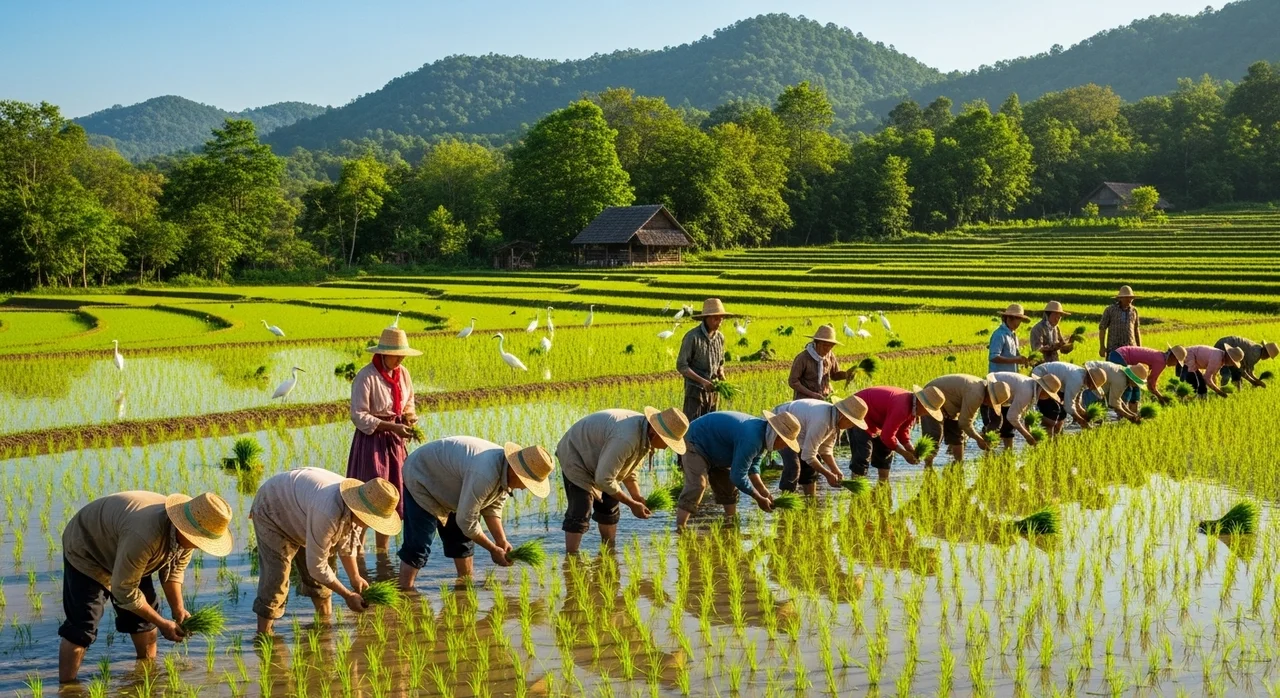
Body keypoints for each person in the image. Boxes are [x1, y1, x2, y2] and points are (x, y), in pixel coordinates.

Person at [59, 491, 233, 682]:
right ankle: (67, 688)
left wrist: (178, 609)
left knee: (144, 622)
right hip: (88, 549)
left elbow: (173, 572)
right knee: (82, 627)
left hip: (128, 552)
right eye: (200, 541)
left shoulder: (187, 539)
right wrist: (162, 624)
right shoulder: (145, 535)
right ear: (185, 529)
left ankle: (147, 678)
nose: (200, 546)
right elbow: (124, 590)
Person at [250, 469, 401, 635]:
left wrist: (355, 577)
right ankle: (263, 635)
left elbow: (347, 545)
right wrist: (348, 595)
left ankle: (325, 631)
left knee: (321, 583)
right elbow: (317, 567)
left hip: (302, 511)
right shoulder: (327, 512)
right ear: (361, 510)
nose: (371, 525)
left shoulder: (357, 505)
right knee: (276, 579)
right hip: (272, 509)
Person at [398, 439, 554, 587]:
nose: (524, 488)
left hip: (453, 483)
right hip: (422, 474)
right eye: (526, 482)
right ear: (516, 472)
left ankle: (465, 585)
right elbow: (467, 521)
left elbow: (493, 508)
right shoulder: (484, 474)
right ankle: (407, 591)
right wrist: (493, 550)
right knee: (419, 545)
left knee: (461, 539)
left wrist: (501, 541)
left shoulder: (505, 473)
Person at [556, 407, 688, 554]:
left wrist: (636, 496)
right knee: (581, 509)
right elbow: (604, 479)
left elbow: (628, 470)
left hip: (601, 458)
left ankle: (609, 549)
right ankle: (572, 558)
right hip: (576, 455)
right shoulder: (626, 438)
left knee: (610, 504)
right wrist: (631, 504)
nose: (665, 448)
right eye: (667, 442)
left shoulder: (644, 435)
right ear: (655, 433)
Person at [347, 325, 420, 552]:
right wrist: (389, 426)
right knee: (370, 496)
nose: (399, 360)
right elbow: (358, 415)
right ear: (383, 353)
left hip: (395, 443)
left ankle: (382, 553)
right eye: (395, 355)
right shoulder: (366, 376)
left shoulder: (404, 374)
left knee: (391, 497)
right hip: (373, 443)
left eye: (402, 356)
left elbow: (409, 403)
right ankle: (356, 549)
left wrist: (408, 418)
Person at [674, 410, 802, 530]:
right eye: (785, 443)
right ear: (778, 436)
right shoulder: (752, 438)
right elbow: (737, 476)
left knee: (728, 488)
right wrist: (758, 498)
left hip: (718, 449)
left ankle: (731, 523)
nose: (784, 447)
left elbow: (753, 466)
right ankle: (680, 529)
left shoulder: (763, 435)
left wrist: (763, 490)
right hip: (696, 441)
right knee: (698, 485)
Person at [772, 395, 870, 495]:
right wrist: (827, 475)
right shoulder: (822, 421)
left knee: (811, 465)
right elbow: (809, 455)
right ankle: (785, 503)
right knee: (793, 466)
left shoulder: (834, 419)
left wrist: (835, 470)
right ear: (844, 416)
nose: (851, 426)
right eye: (851, 423)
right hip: (781, 423)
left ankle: (810, 501)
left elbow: (825, 449)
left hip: (800, 429)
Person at [847, 384, 946, 480]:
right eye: (928, 410)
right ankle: (856, 487)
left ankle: (883, 484)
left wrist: (910, 449)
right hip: (858, 412)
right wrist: (904, 454)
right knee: (863, 454)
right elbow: (887, 436)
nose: (927, 414)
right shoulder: (902, 406)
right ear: (922, 404)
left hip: (878, 420)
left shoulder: (913, 408)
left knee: (885, 452)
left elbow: (902, 431)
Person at [920, 374, 1012, 465]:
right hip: (931, 397)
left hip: (950, 405)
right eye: (992, 402)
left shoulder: (980, 389)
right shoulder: (976, 394)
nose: (989, 405)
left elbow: (968, 419)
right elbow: (964, 423)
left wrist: (975, 436)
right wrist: (979, 439)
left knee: (957, 435)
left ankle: (959, 464)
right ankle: (928, 466)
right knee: (934, 436)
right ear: (989, 396)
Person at [676, 298, 733, 421]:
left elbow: (721, 362)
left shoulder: (720, 338)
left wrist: (721, 372)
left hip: (713, 391)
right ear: (706, 318)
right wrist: (702, 381)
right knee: (693, 427)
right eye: (715, 318)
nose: (719, 322)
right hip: (695, 392)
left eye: (721, 319)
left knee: (710, 426)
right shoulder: (692, 337)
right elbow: (682, 366)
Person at [985, 372, 1065, 448]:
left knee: (1008, 425)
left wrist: (1029, 431)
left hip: (1004, 396)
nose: (1049, 397)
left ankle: (1008, 451)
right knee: (996, 424)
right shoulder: (1026, 392)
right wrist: (1027, 436)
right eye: (1048, 395)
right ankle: (986, 449)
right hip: (992, 388)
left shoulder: (1031, 386)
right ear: (1043, 390)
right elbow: (1012, 417)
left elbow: (1021, 414)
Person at [1031, 362, 1109, 435]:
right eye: (1093, 386)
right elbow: (1068, 406)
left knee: (1061, 415)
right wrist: (1082, 422)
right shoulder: (1077, 379)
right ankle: (1044, 434)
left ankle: (1057, 436)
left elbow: (1076, 402)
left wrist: (1087, 416)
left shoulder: (1083, 379)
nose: (1092, 389)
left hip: (1056, 384)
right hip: (1041, 377)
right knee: (1052, 414)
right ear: (1090, 379)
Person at [1112, 345, 1188, 410]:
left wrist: (1158, 395)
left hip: (1118, 353)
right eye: (1176, 362)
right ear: (1173, 357)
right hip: (1120, 356)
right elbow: (1151, 383)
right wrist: (1160, 397)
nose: (1175, 365)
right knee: (1127, 386)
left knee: (1135, 384)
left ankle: (1133, 412)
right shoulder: (1160, 361)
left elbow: (1148, 382)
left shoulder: (1160, 356)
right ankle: (1121, 413)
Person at [787, 324, 850, 400]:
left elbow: (834, 375)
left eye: (831, 346)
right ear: (817, 343)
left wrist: (847, 374)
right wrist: (812, 394)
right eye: (825, 345)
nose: (828, 349)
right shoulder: (803, 358)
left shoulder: (830, 356)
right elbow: (793, 382)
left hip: (824, 397)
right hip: (805, 400)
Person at [1178, 344, 1245, 397]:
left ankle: (1184, 396)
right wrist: (1219, 392)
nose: (1231, 365)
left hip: (1191, 357)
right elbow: (1207, 378)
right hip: (1188, 356)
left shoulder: (1220, 357)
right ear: (1229, 357)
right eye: (1232, 362)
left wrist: (1217, 389)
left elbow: (1213, 376)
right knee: (1193, 382)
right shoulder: (1217, 359)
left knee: (1194, 383)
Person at [1212, 336, 1278, 389]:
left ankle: (1231, 391)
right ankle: (1219, 391)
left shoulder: (1258, 349)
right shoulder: (1255, 354)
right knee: (1226, 374)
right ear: (1266, 354)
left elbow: (1249, 371)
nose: (1267, 358)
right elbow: (1242, 371)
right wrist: (1253, 382)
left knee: (1236, 375)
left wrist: (1258, 381)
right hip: (1224, 347)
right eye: (1269, 356)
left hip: (1228, 348)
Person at [1098, 285, 1141, 357]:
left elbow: (1136, 330)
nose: (1129, 300)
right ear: (1120, 298)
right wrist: (1102, 347)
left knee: (1130, 368)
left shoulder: (1134, 311)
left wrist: (1139, 348)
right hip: (1114, 349)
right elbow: (1102, 328)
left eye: (1131, 298)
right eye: (1127, 297)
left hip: (1131, 349)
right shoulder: (1110, 310)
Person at [989, 304, 1032, 374]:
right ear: (1010, 318)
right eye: (1019, 319)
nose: (1019, 323)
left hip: (1011, 377)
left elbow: (1015, 356)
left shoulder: (1014, 336)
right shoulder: (999, 335)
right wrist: (1015, 360)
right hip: (999, 378)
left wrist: (1023, 360)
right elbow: (993, 357)